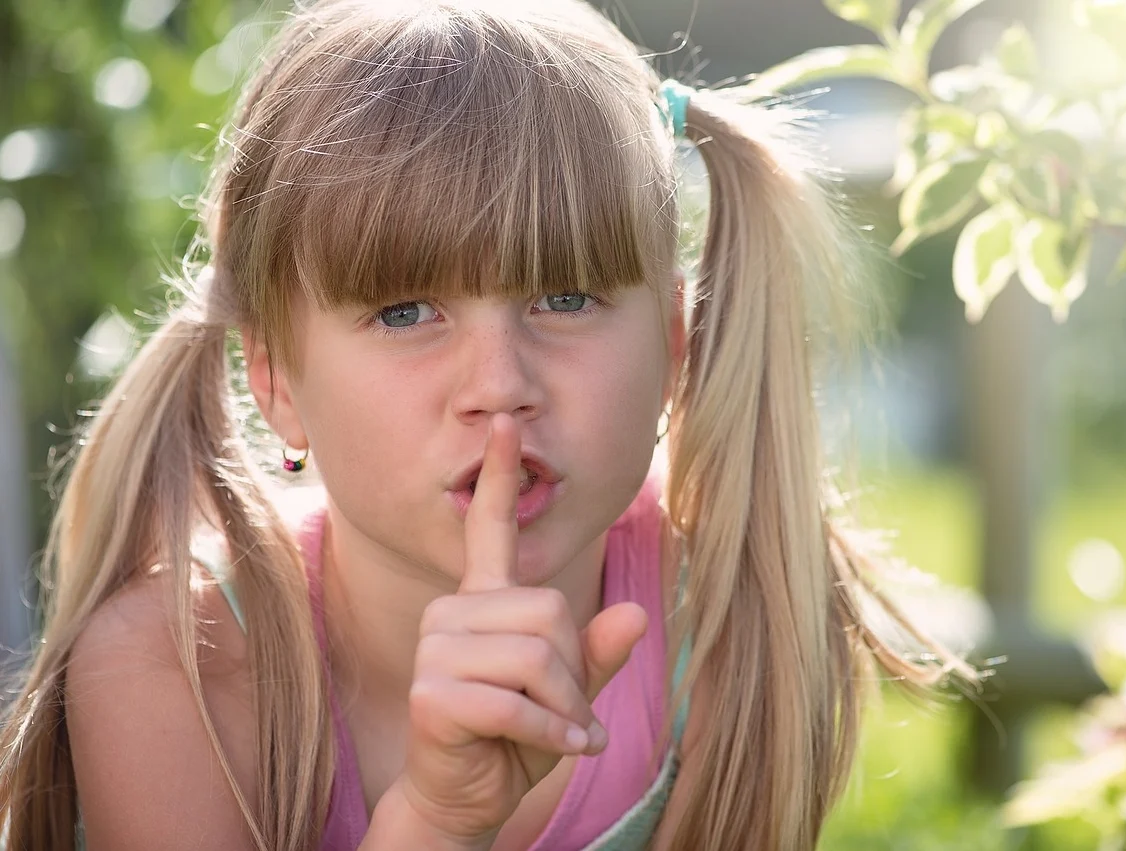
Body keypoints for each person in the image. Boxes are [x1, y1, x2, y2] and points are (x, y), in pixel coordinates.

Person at [0, 0, 971, 848]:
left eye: (564, 295)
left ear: (671, 339)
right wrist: (434, 817)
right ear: (275, 380)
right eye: (404, 312)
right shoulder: (174, 672)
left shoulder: (728, 619)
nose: (499, 385)